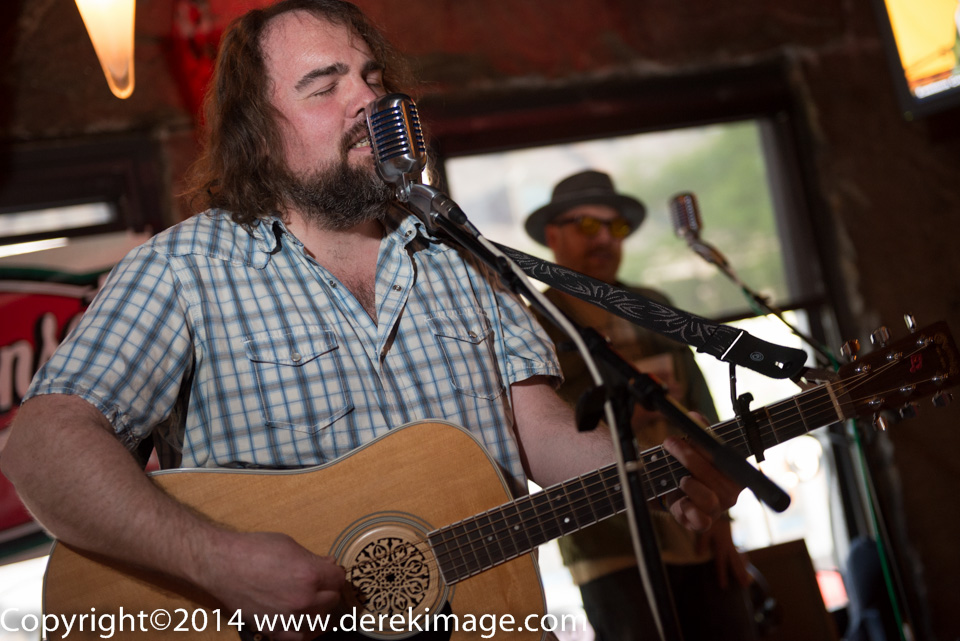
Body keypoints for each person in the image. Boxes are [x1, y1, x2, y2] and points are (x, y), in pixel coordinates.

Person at [0, 4, 742, 641]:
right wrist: (217, 562)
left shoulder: (462, 256)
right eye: (325, 86)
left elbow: (539, 430)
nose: (367, 99)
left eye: (372, 78)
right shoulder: (184, 268)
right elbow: (41, 447)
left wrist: (652, 476)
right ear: (259, 135)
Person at [525, 169, 757, 641]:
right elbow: (537, 433)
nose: (605, 238)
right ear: (553, 236)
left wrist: (723, 518)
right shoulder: (534, 326)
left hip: (697, 531)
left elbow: (702, 407)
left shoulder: (653, 304)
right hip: (609, 544)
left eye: (615, 227)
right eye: (587, 225)